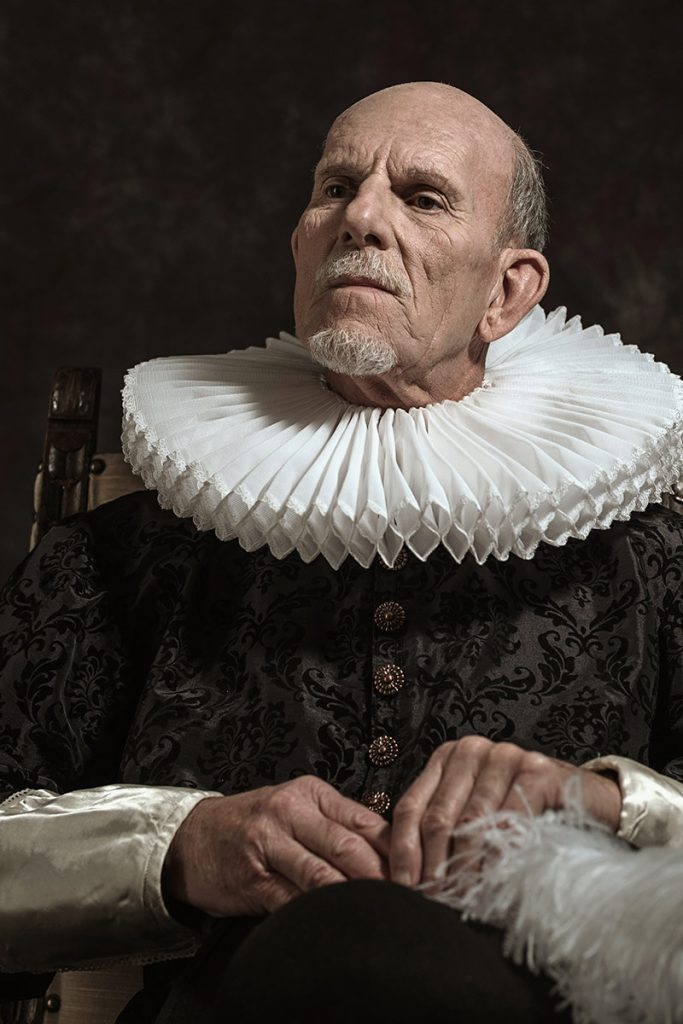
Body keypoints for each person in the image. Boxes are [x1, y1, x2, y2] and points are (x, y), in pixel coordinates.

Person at [1, 81, 682, 1021]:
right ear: (300, 244)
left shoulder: (647, 553)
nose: (360, 217)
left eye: (422, 197)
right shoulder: (128, 556)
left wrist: (603, 803)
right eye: (335, 187)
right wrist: (177, 845)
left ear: (507, 291)